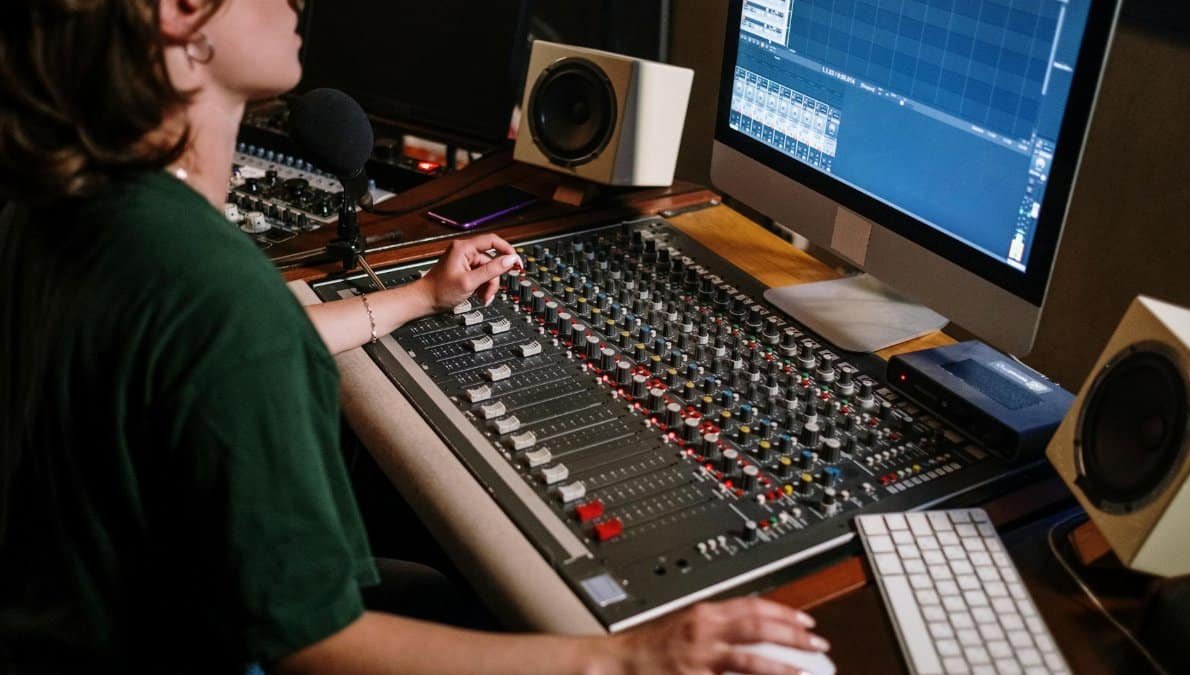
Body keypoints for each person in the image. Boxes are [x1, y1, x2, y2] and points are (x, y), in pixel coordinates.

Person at [0, 1, 832, 673]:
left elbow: (194, 348)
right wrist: (629, 659)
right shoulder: (221, 301)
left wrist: (419, 296)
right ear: (184, 13)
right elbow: (316, 644)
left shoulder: (65, 209)